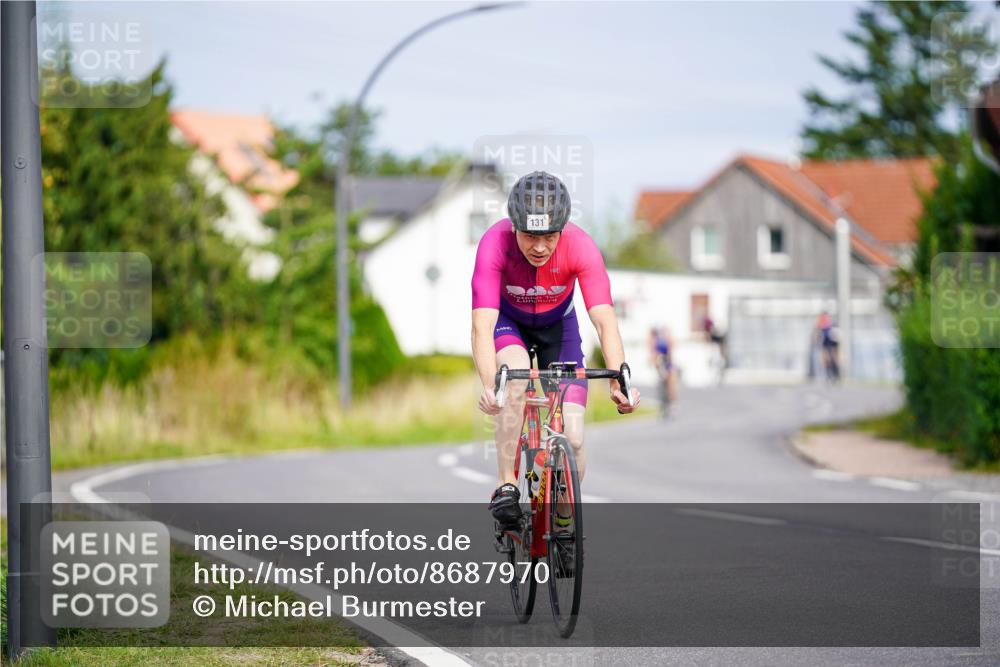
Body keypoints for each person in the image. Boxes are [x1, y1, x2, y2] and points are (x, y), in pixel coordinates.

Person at [471, 171, 640, 528]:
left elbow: (605, 321)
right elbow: (481, 326)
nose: (540, 247)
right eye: (530, 236)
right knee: (513, 379)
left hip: (559, 329)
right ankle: (506, 486)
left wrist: (618, 381)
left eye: (549, 236)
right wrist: (491, 387)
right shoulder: (494, 243)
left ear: (563, 229)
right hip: (509, 324)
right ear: (514, 226)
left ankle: (563, 523)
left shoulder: (581, 246)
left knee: (575, 437)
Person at [648, 326, 677, 417]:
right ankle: (664, 406)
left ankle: (671, 404)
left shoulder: (665, 340)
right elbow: (653, 354)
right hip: (660, 364)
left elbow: (670, 353)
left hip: (667, 364)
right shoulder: (655, 341)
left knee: (670, 385)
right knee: (662, 386)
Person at [814, 311, 840, 382]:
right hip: (826, 342)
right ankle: (830, 375)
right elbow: (818, 333)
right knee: (827, 359)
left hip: (831, 342)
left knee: (832, 359)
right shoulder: (823, 323)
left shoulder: (829, 324)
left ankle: (834, 375)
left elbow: (834, 337)